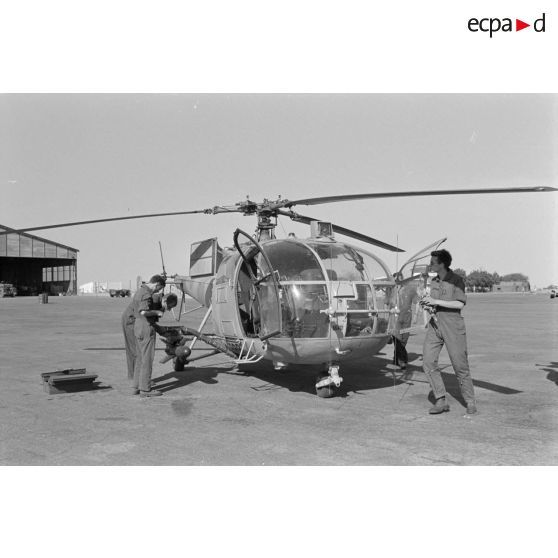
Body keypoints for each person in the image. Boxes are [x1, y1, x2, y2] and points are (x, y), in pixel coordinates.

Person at [421, 249, 477, 415]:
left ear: (442, 264)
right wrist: (428, 304)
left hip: (453, 325)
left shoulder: (456, 281)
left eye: (433, 262)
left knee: (460, 365)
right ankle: (441, 399)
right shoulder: (434, 281)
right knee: (428, 361)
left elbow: (459, 304)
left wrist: (436, 301)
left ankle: (470, 401)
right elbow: (434, 302)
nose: (430, 265)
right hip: (435, 324)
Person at [130, 275, 167, 397]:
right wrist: (158, 312)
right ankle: (145, 389)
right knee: (147, 359)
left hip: (137, 326)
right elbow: (144, 311)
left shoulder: (140, 291)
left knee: (140, 358)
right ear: (156, 284)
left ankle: (135, 387)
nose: (157, 291)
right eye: (159, 288)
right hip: (145, 327)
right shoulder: (146, 294)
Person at [392, 272, 419, 370]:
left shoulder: (410, 289)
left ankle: (396, 357)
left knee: (404, 339)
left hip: (407, 317)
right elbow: (387, 302)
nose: (396, 282)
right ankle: (402, 360)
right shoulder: (392, 290)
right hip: (395, 318)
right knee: (397, 338)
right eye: (395, 281)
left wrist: (416, 315)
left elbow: (417, 302)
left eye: (398, 280)